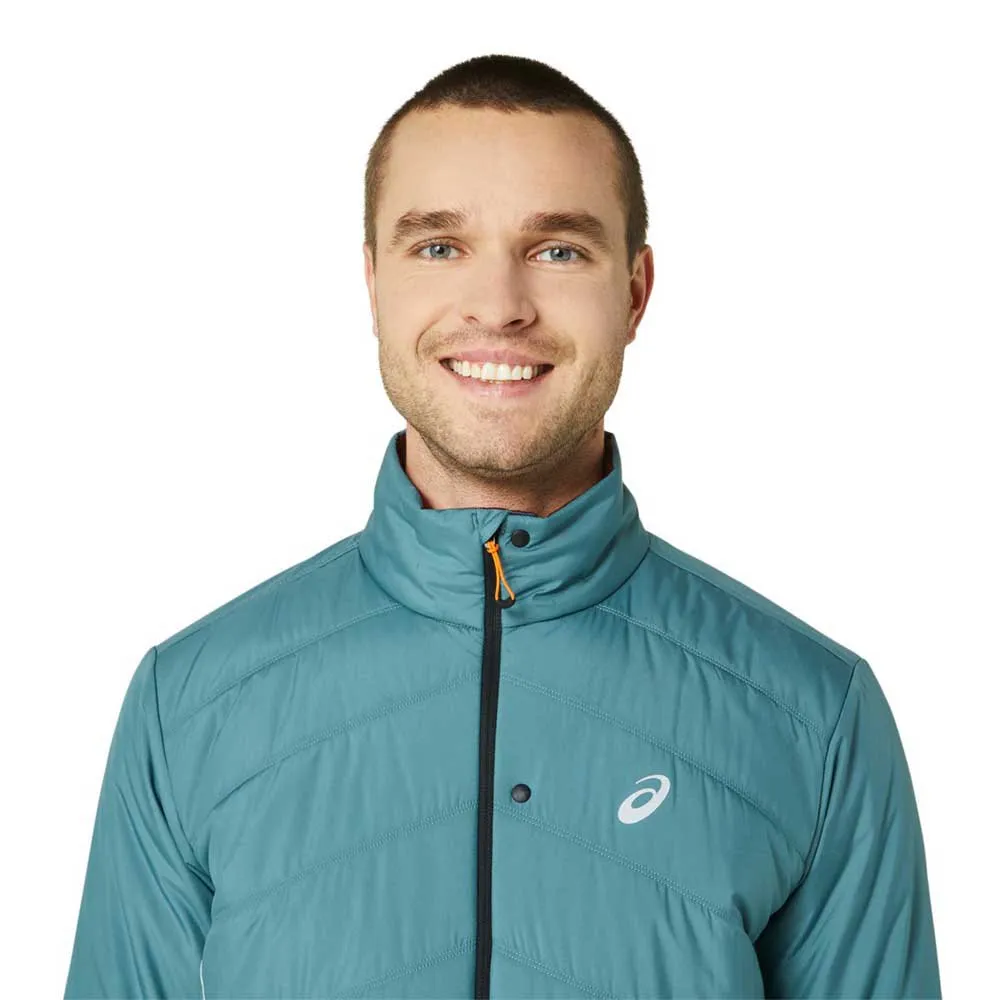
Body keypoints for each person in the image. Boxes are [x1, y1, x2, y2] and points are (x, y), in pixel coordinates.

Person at [64, 54, 941, 999]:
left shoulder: (812, 715)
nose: (498, 306)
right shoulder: (191, 705)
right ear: (373, 284)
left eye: (558, 250)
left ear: (635, 292)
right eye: (439, 247)